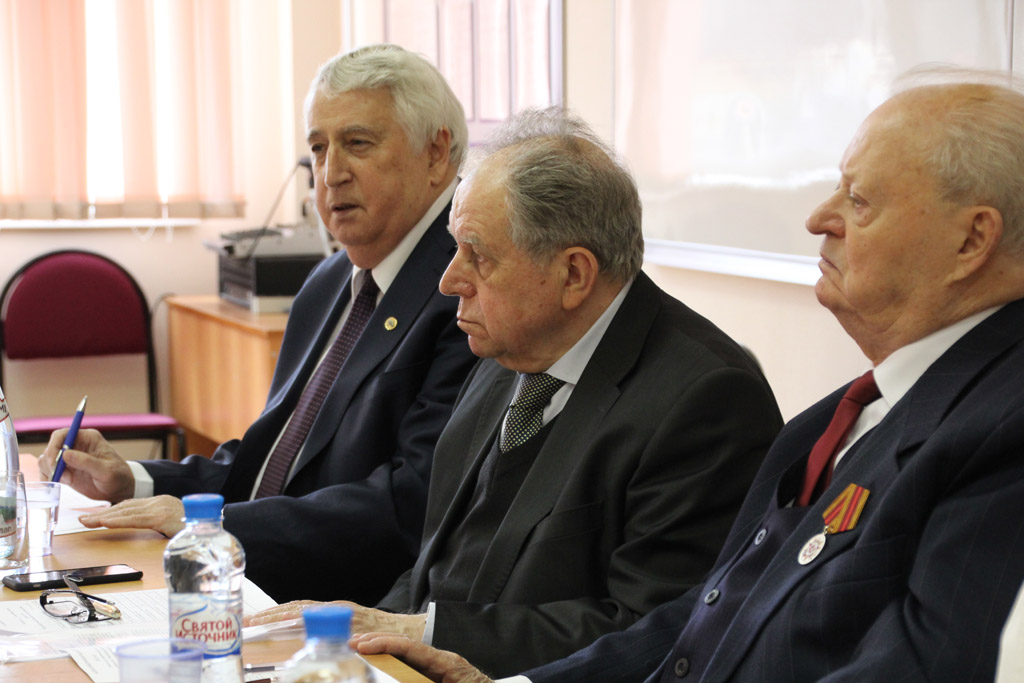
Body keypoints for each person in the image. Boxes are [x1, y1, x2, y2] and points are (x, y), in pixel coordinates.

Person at [347, 69, 1024, 682]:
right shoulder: (833, 419)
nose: (819, 218)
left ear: (972, 240)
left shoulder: (1000, 429)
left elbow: (920, 666)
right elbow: (704, 618)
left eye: (860, 199)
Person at [247, 108, 784, 676]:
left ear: (573, 275)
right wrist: (361, 634)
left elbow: (651, 632)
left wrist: (418, 632)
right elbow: (434, 569)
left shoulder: (707, 402)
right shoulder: (508, 347)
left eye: (477, 256)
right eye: (455, 248)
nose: (449, 281)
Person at [37, 44, 478, 605]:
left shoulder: (463, 289)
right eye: (318, 148)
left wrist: (215, 529)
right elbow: (268, 464)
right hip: (247, 579)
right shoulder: (328, 282)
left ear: (436, 154)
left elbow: (412, 504)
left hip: (345, 607)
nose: (331, 174)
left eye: (358, 143)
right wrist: (134, 480)